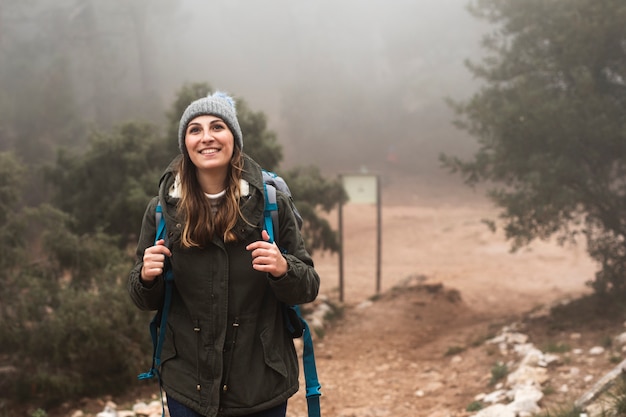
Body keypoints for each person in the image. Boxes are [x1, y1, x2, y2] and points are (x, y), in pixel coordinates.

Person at [128, 91, 320, 417]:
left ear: (234, 138)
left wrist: (282, 268)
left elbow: (308, 286)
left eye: (217, 127)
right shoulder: (162, 210)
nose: (207, 137)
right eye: (195, 129)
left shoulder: (270, 205)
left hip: (261, 383)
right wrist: (146, 276)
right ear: (185, 144)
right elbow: (143, 297)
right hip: (188, 385)